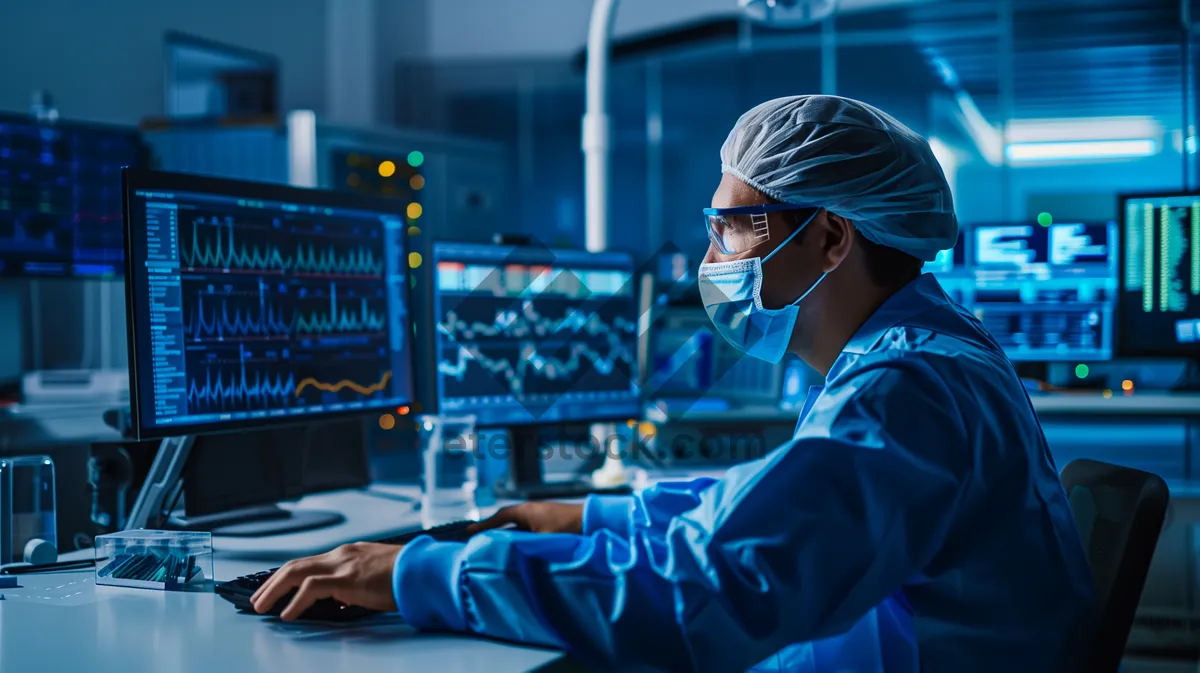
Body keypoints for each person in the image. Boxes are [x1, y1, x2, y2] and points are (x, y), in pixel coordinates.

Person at [251, 95, 1094, 672]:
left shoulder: (905, 388)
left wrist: (418, 576)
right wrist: (590, 513)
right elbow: (776, 504)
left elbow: (711, 590)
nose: (714, 259)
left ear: (832, 237)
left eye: (732, 228)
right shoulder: (919, 350)